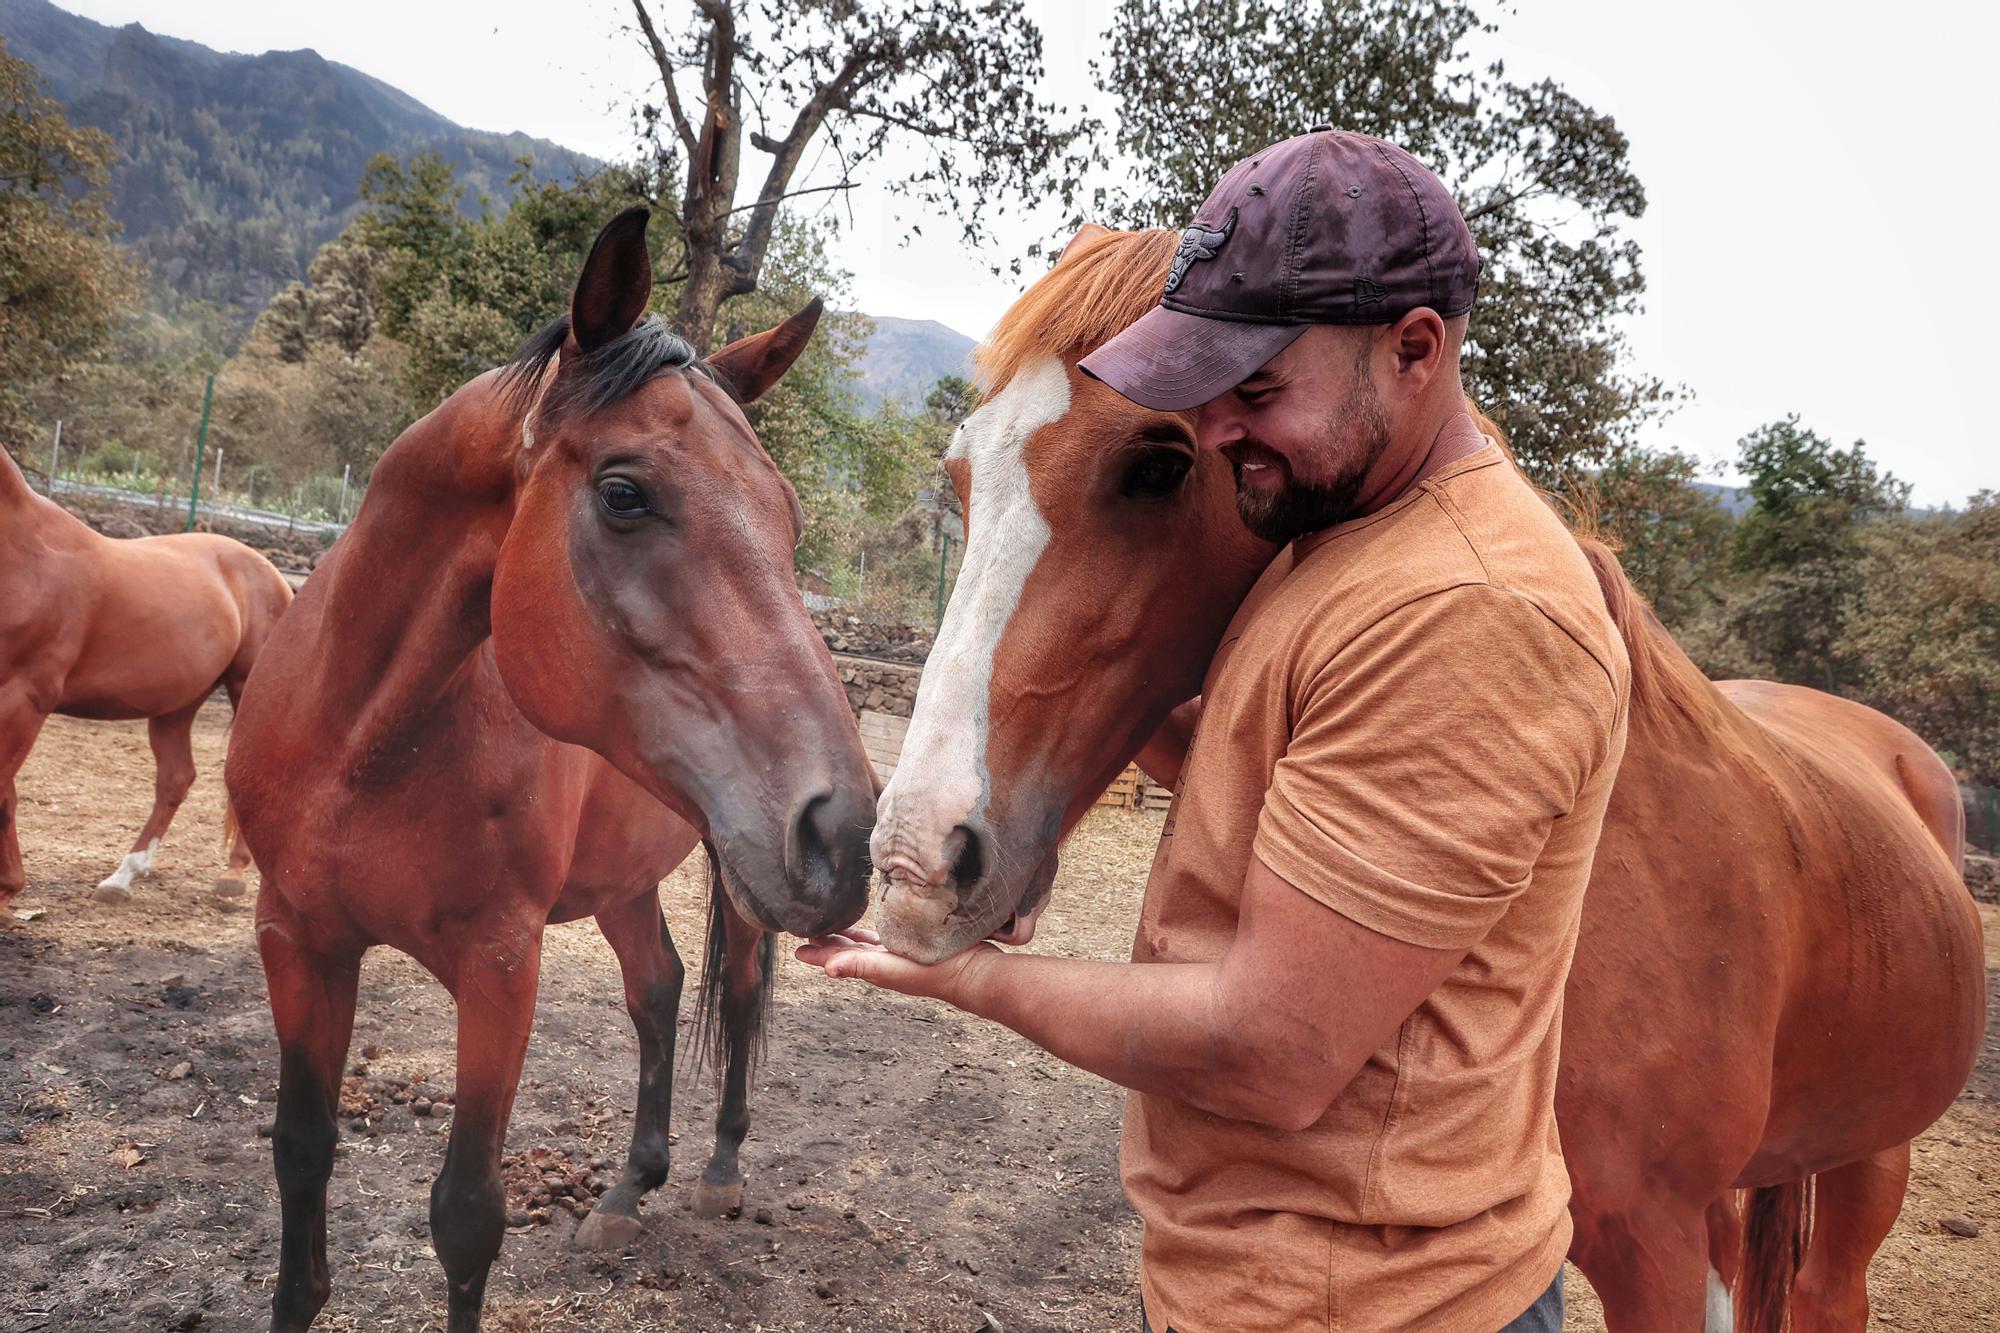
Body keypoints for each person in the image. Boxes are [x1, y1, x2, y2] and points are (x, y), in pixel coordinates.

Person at [799, 129, 1631, 1332]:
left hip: (1381, 1304)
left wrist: (977, 981)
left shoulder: (1465, 611)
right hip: (1251, 1283)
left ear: (1412, 350)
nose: (1219, 430)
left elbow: (1271, 1051)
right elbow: (1284, 800)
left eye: (1253, 391)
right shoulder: (1336, 536)